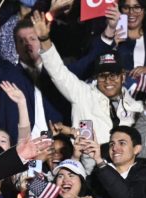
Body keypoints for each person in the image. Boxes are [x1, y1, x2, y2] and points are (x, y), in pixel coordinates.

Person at [0, 7, 117, 142]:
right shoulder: (7, 74)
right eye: (21, 41)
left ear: (41, 39)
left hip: (57, 149)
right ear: (15, 47)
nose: (27, 44)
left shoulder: (60, 73)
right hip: (18, 149)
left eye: (32, 38)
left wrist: (109, 31)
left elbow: (89, 63)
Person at [33, 10, 144, 144]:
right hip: (89, 164)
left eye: (113, 75)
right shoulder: (82, 94)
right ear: (96, 77)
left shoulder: (137, 108)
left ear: (123, 77)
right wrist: (45, 40)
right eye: (103, 76)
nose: (108, 80)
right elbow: (58, 71)